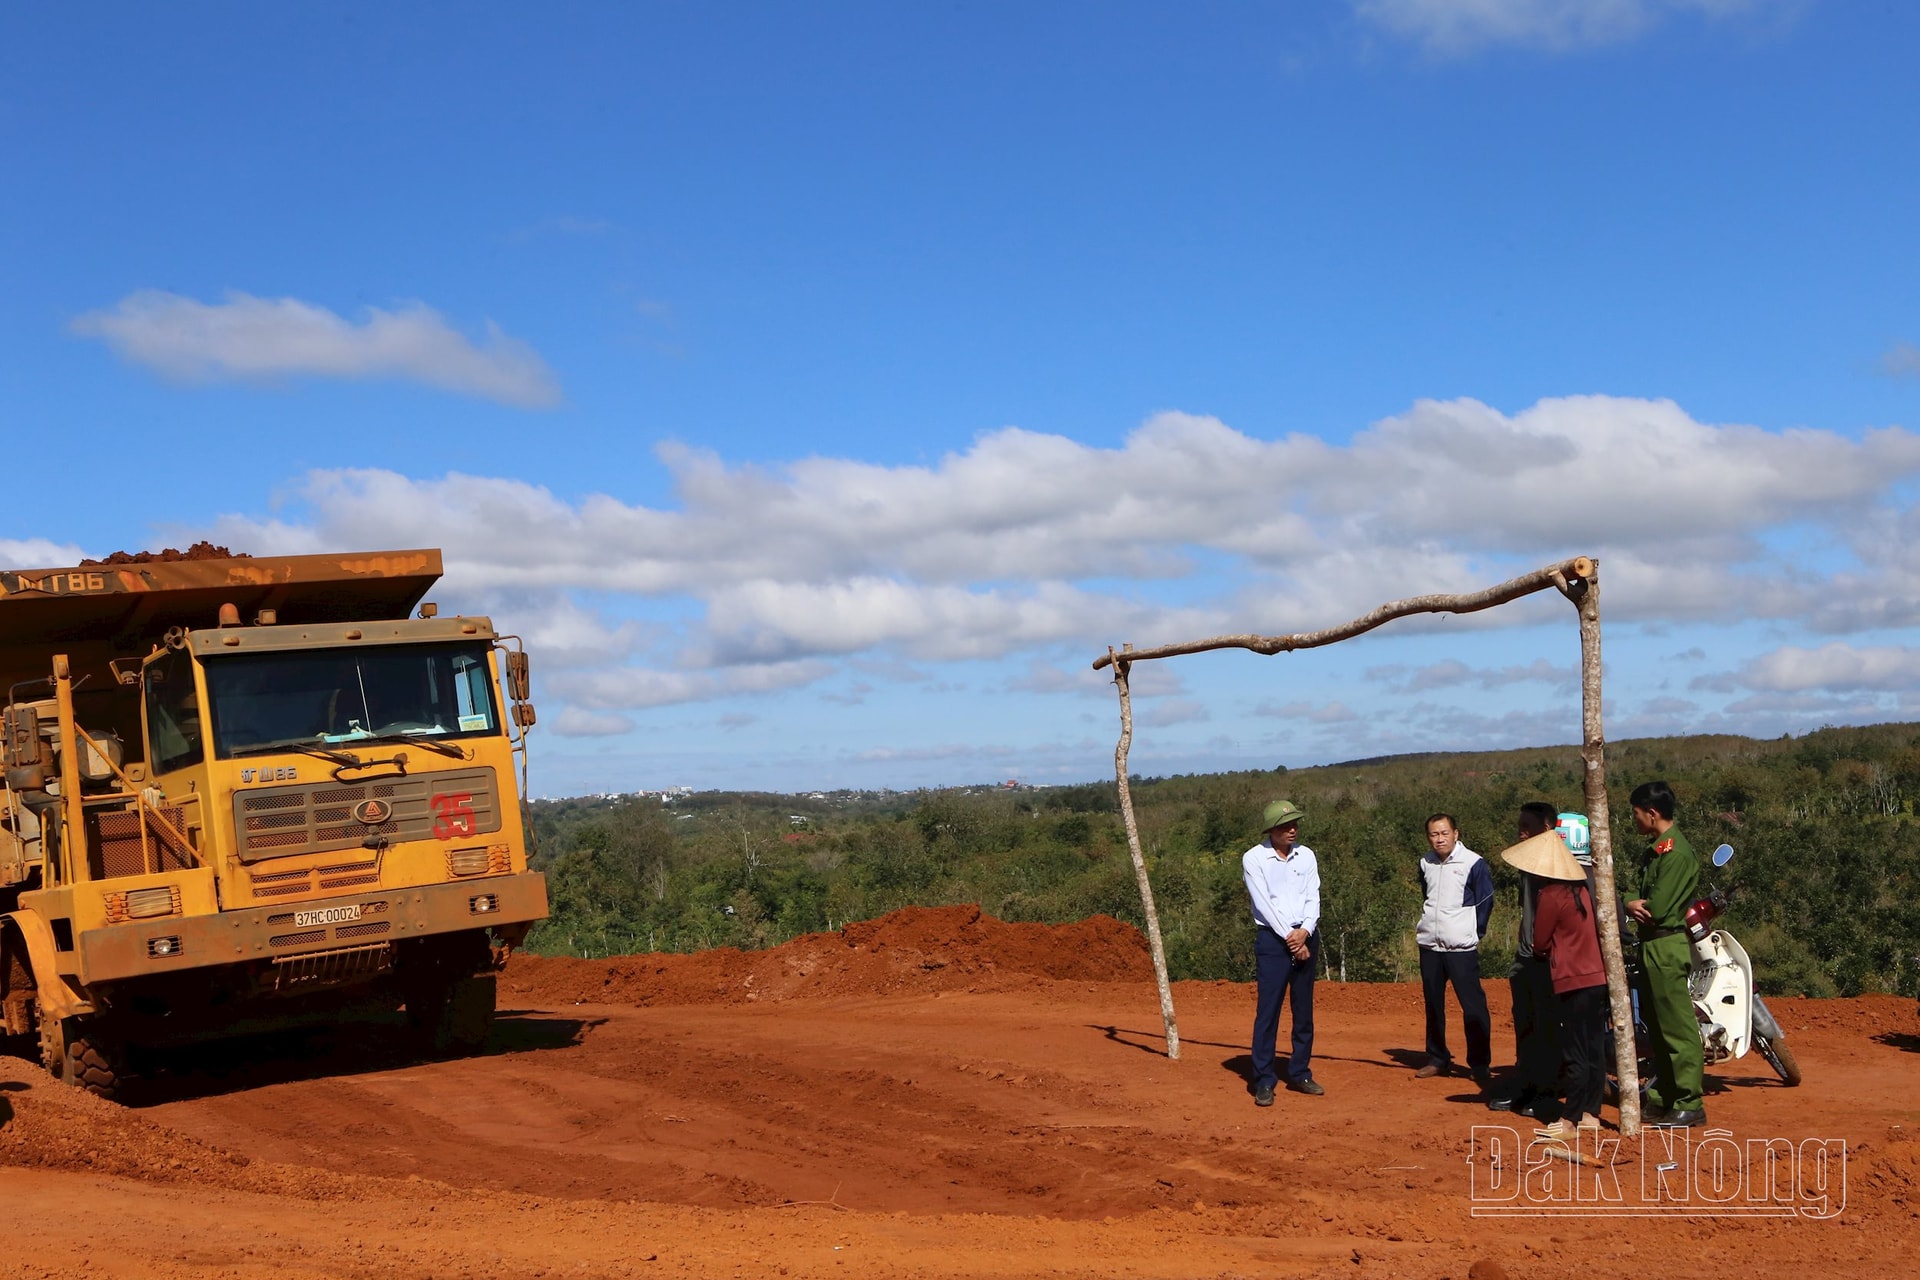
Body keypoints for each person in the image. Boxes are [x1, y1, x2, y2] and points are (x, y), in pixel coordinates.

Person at [1507, 827, 1609, 1142]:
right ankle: (1591, 1112)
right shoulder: (1582, 890)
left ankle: (1570, 1119)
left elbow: (1539, 942)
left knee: (1575, 1048)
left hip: (1571, 979)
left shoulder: (1550, 895)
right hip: (1596, 978)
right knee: (1593, 1047)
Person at [1626, 780, 1706, 1128]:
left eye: (1637, 813)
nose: (1635, 820)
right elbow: (1634, 891)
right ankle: (1664, 1096)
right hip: (1650, 945)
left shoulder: (1675, 853)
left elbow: (1655, 908)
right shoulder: (1657, 849)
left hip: (1666, 944)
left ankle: (1690, 1100)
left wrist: (1638, 905)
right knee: (1656, 1030)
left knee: (1677, 1028)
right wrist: (1631, 903)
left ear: (1652, 813)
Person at [1243, 799, 1323, 1105]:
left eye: (1295, 824)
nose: (1293, 829)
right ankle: (1264, 1079)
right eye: (1285, 826)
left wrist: (1305, 931)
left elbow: (1313, 897)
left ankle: (1300, 1072)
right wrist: (1292, 939)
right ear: (1272, 830)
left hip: (1305, 935)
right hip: (1273, 942)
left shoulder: (1307, 856)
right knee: (1268, 1011)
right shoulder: (1254, 859)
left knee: (1303, 1011)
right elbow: (1263, 902)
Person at [1486, 801, 1562, 1117]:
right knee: (1526, 1024)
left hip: (1548, 958)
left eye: (1527, 826)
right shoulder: (1526, 864)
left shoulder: (1560, 863)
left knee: (1546, 1026)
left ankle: (1545, 1092)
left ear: (1547, 828)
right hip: (1527, 955)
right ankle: (1527, 1084)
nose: (1520, 831)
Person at [1413, 813, 1494, 1086]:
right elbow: (1427, 894)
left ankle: (1480, 1064)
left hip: (1461, 947)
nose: (1439, 839)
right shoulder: (1425, 862)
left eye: (1444, 833)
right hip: (1430, 945)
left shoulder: (1474, 863)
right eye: (1434, 834)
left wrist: (1472, 932)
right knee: (1433, 1004)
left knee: (1473, 1007)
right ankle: (1437, 1057)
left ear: (1456, 834)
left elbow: (1485, 901)